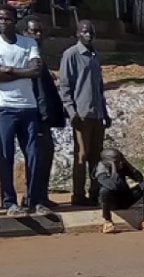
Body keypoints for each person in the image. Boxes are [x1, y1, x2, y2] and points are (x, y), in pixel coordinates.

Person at [58, 19, 109, 209]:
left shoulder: (95, 55)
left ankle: (95, 192)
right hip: (81, 114)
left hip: (97, 114)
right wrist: (71, 111)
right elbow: (65, 86)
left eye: (91, 32)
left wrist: (105, 112)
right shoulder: (71, 55)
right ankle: (78, 194)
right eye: (85, 32)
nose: (88, 35)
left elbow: (99, 87)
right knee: (82, 154)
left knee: (97, 155)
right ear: (78, 33)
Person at [0, 3, 44, 217]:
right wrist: (22, 71)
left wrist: (9, 70)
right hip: (4, 108)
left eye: (7, 19)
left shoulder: (29, 42)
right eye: (0, 18)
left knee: (34, 154)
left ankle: (34, 200)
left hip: (28, 106)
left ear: (15, 21)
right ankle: (10, 202)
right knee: (5, 155)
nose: (3, 22)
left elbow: (36, 70)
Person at [23, 15, 62, 215]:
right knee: (37, 156)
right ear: (25, 33)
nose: (38, 35)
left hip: (45, 117)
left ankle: (41, 196)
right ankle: (32, 198)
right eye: (33, 31)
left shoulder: (39, 57)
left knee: (46, 155)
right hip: (34, 116)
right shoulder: (27, 58)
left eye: (40, 31)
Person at [95, 148, 144, 233]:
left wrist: (127, 165)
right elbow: (113, 186)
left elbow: (139, 178)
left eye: (121, 159)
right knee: (104, 191)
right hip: (112, 203)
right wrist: (114, 169)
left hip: (125, 198)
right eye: (117, 160)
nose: (120, 162)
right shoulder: (100, 170)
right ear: (107, 161)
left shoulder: (121, 165)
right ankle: (107, 221)